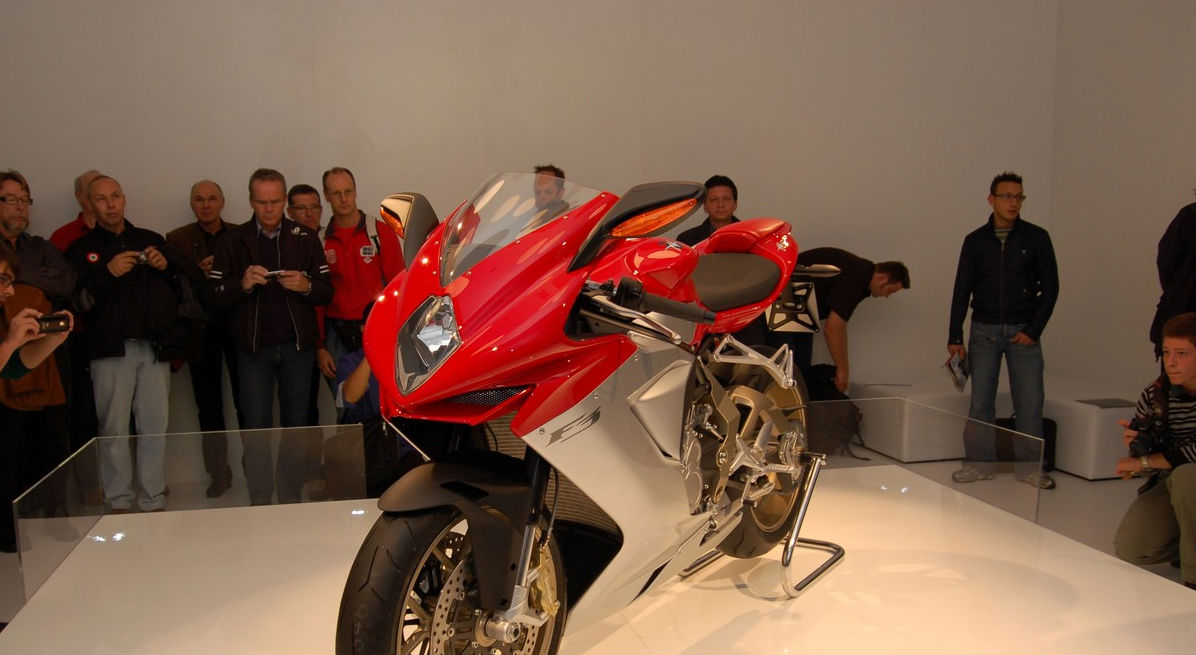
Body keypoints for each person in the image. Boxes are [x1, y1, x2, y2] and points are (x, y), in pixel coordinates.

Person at [206, 168, 332, 505]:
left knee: (296, 425)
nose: (269, 209)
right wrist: (243, 284)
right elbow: (213, 296)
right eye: (262, 202)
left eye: (275, 201)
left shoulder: (304, 237)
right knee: (256, 427)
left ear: (284, 200)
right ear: (250, 201)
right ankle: (260, 496)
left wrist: (305, 285)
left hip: (297, 347)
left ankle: (290, 495)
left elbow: (326, 291)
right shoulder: (232, 240)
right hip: (253, 350)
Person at [65, 175, 187, 513]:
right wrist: (108, 273)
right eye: (102, 199)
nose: (111, 205)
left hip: (153, 346)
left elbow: (180, 291)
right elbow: (78, 304)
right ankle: (118, 500)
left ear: (124, 198)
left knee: (155, 426)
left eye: (115, 196)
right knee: (113, 427)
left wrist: (165, 267)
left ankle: (153, 497)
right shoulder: (82, 249)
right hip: (108, 350)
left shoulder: (149, 240)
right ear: (90, 204)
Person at [948, 171, 1059, 489]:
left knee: (1030, 401)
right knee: (981, 400)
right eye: (1007, 196)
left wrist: (1034, 330)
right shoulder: (976, 240)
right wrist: (955, 335)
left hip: (1023, 328)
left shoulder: (1036, 237)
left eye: (1018, 197)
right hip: (984, 328)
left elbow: (1051, 288)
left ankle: (1030, 468)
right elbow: (962, 288)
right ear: (992, 199)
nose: (1013, 202)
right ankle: (979, 464)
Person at [0, 171, 75, 534]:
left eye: (24, 200)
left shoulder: (41, 247)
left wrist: (51, 340)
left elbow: (14, 367)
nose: (11, 291)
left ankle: (51, 512)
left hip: (36, 361)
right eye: (5, 281)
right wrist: (12, 341)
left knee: (51, 438)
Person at [165, 180, 243, 497]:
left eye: (212, 198)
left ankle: (254, 470)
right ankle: (218, 472)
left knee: (246, 404)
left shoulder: (239, 234)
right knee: (208, 407)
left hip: (237, 327)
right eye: (199, 199)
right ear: (191, 204)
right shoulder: (177, 239)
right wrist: (198, 272)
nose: (206, 205)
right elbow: (172, 286)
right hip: (199, 331)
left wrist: (222, 271)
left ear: (222, 201)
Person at [1113, 312, 1196, 590]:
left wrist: (1144, 462)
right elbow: (1146, 469)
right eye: (1167, 352)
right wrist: (1138, 449)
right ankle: (1188, 543)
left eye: (1182, 354)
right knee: (1131, 548)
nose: (1171, 362)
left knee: (1187, 475)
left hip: (1187, 478)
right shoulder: (1156, 394)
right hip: (1174, 482)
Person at [767, 247, 909, 392]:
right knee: (786, 372)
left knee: (798, 373)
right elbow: (834, 328)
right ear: (882, 279)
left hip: (795, 306)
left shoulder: (857, 272)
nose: (887, 296)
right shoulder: (858, 276)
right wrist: (843, 370)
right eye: (890, 291)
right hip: (785, 303)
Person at [319, 167, 402, 395]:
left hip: (375, 329)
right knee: (345, 403)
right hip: (336, 334)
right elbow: (317, 299)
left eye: (348, 191)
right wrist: (320, 346)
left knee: (382, 400)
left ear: (355, 192)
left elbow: (398, 286)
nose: (344, 199)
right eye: (336, 193)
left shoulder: (379, 233)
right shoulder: (321, 240)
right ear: (326, 196)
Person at [286, 182, 329, 496]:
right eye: (301, 208)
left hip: (331, 336)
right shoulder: (284, 245)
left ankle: (344, 472)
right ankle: (307, 474)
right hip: (299, 340)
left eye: (314, 207)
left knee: (347, 407)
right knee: (304, 412)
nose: (309, 213)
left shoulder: (329, 238)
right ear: (290, 212)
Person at [1149, 201, 1195, 360]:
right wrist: (1179, 291)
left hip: (1182, 309)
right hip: (1184, 317)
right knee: (1178, 367)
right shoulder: (1190, 216)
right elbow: (1167, 263)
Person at [676, 175, 740, 247]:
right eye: (714, 199)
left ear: (735, 204)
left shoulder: (750, 236)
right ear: (705, 206)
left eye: (726, 199)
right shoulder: (685, 240)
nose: (720, 205)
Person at [49, 169, 102, 253]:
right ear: (78, 195)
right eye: (92, 188)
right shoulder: (61, 237)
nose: (99, 194)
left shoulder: (120, 230)